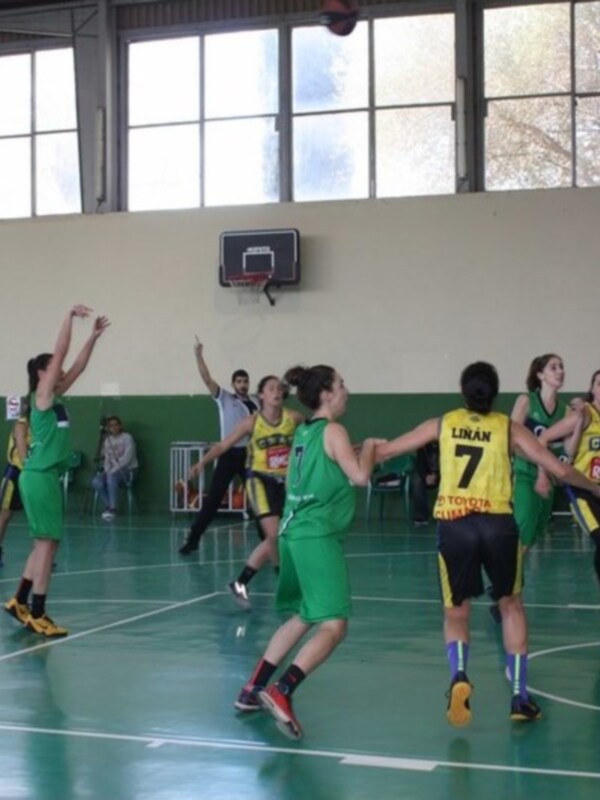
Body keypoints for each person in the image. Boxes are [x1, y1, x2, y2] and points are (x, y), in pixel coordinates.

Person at [373, 361, 600, 726]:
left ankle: (460, 675)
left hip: (454, 525)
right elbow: (557, 469)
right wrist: (592, 487)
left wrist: (356, 448)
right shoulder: (507, 428)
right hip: (497, 525)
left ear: (463, 392)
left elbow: (384, 453)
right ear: (495, 394)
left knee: (456, 611)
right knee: (511, 607)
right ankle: (519, 698)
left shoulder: (442, 423)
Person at [234, 365, 379, 740]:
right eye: (342, 385)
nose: (347, 391)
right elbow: (360, 477)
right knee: (334, 624)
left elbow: (328, 465)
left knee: (301, 615)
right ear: (327, 394)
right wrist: (374, 449)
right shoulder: (334, 430)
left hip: (291, 534)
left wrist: (354, 453)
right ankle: (283, 690)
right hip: (316, 536)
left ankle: (252, 688)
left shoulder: (303, 432)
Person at [4, 305, 109, 637]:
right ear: (41, 374)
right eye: (53, 367)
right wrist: (67, 317)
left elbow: (76, 364)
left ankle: (20, 600)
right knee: (48, 546)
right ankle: (39, 612)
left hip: (41, 477)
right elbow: (63, 351)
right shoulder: (43, 395)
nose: (60, 369)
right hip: (40, 476)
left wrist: (92, 336)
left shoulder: (55, 396)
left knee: (44, 545)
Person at [189, 375, 303, 609]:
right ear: (261, 395)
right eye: (271, 388)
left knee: (282, 535)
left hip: (285, 483)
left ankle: (241, 582)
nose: (276, 391)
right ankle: (284, 580)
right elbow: (223, 445)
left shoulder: (294, 418)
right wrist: (203, 463)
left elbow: (315, 437)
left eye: (279, 388)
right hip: (259, 482)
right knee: (273, 534)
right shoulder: (252, 422)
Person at [179, 339, 259, 555]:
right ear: (233, 384)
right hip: (228, 453)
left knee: (259, 497)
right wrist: (198, 355)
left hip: (250, 455)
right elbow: (206, 379)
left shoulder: (256, 402)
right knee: (213, 499)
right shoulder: (224, 398)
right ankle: (193, 539)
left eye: (245, 381)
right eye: (239, 381)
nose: (243, 384)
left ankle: (267, 540)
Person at [538, 369, 600, 587]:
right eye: (599, 384)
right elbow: (544, 438)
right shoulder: (584, 415)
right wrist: (542, 474)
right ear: (592, 389)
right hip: (583, 489)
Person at [91, 416, 138, 521]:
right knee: (96, 481)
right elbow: (107, 460)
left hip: (128, 470)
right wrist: (107, 471)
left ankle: (112, 509)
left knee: (111, 478)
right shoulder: (108, 441)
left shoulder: (127, 438)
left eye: (116, 425)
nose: (114, 428)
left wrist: (111, 472)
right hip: (111, 471)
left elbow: (127, 459)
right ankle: (111, 507)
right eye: (111, 426)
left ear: (120, 426)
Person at [0, 408, 31, 566]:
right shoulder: (21, 425)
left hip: (32, 474)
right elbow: (23, 452)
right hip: (15, 473)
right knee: (5, 515)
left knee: (36, 515)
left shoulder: (40, 426)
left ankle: (41, 553)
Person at [411, 441, 440, 525]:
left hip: (443, 475)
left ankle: (443, 515)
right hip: (426, 475)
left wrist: (437, 475)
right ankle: (421, 517)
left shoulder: (447, 444)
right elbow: (419, 464)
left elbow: (449, 464)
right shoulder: (423, 446)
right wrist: (425, 476)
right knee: (417, 481)